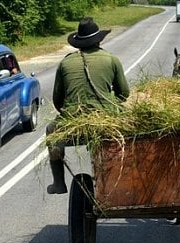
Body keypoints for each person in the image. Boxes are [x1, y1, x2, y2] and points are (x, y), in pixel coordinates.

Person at [46, 17, 130, 194]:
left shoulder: (65, 62)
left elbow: (58, 100)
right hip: (107, 117)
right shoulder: (111, 59)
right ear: (99, 40)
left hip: (74, 117)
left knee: (51, 130)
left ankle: (59, 183)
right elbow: (124, 94)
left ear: (78, 43)